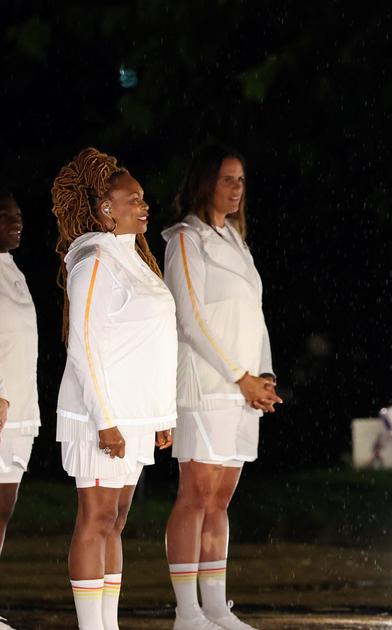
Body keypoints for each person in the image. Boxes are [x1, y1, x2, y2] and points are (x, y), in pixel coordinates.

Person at [50, 148, 177, 630]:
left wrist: (161, 414)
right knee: (97, 518)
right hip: (103, 418)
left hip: (136, 417)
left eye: (143, 199)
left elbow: (154, 341)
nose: (145, 206)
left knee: (117, 521)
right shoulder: (93, 257)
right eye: (134, 199)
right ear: (105, 208)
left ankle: (108, 623)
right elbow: (82, 345)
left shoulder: (132, 256)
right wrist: (106, 421)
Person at [161, 145, 282, 630]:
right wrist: (239, 375)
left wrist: (265, 376)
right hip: (207, 386)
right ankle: (186, 611)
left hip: (243, 390)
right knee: (196, 494)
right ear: (205, 181)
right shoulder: (186, 239)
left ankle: (214, 605)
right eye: (228, 179)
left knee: (221, 500)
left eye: (241, 180)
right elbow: (189, 318)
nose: (236, 189)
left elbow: (254, 316)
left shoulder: (235, 239)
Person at [0, 190, 39, 573]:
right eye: (3, 215)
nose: (16, 221)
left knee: (3, 507)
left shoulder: (12, 268)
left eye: (18, 214)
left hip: (19, 409)